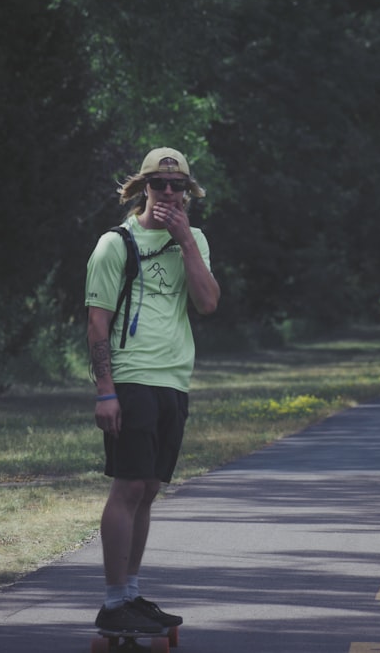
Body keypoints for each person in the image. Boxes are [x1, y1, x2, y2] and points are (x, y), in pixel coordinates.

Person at [85, 147, 220, 634]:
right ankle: (112, 600)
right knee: (128, 486)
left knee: (149, 490)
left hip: (173, 380)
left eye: (177, 186)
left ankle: (131, 594)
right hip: (131, 377)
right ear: (143, 186)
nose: (168, 193)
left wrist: (185, 241)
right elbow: (97, 325)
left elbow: (207, 303)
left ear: (188, 193)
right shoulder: (115, 244)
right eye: (159, 184)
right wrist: (105, 393)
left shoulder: (195, 240)